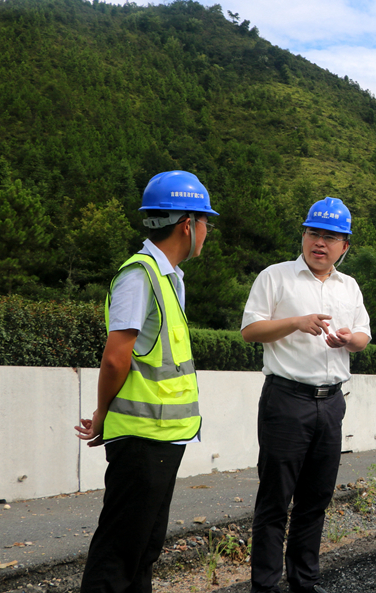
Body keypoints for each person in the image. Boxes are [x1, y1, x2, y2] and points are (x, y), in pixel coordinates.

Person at [75, 170, 218, 593]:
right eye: (206, 222)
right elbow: (115, 359)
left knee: (142, 550)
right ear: (187, 224)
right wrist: (103, 414)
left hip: (161, 438)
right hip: (140, 438)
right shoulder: (139, 275)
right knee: (118, 555)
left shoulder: (168, 278)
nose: (208, 232)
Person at [241, 197, 371, 593]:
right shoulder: (275, 277)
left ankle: (304, 580)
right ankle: (264, 584)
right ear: (303, 235)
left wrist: (350, 340)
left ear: (345, 246)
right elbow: (250, 331)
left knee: (316, 498)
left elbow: (364, 336)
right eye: (314, 233)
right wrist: (296, 322)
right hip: (286, 399)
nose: (320, 243)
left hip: (331, 402)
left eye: (331, 237)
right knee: (275, 499)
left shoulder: (349, 286)